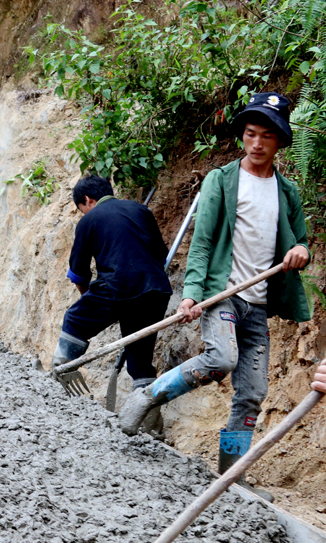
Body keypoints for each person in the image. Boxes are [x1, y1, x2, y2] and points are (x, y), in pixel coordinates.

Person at [119, 92, 310, 497]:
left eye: (266, 137)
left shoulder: (287, 193)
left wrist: (301, 251)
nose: (256, 144)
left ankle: (229, 475)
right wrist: (191, 294)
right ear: (242, 136)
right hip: (224, 295)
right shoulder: (222, 181)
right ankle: (148, 395)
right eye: (250, 134)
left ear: (280, 142)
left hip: (257, 305)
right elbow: (202, 243)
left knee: (254, 393)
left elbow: (301, 243)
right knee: (221, 358)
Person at [53, 175, 172, 430]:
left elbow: (79, 273)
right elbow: (161, 255)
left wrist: (89, 302)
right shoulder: (141, 210)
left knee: (74, 320)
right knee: (139, 359)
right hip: (156, 290)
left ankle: (60, 371)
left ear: (87, 200)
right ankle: (150, 423)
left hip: (118, 287)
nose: (82, 212)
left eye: (81, 208)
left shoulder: (89, 221)